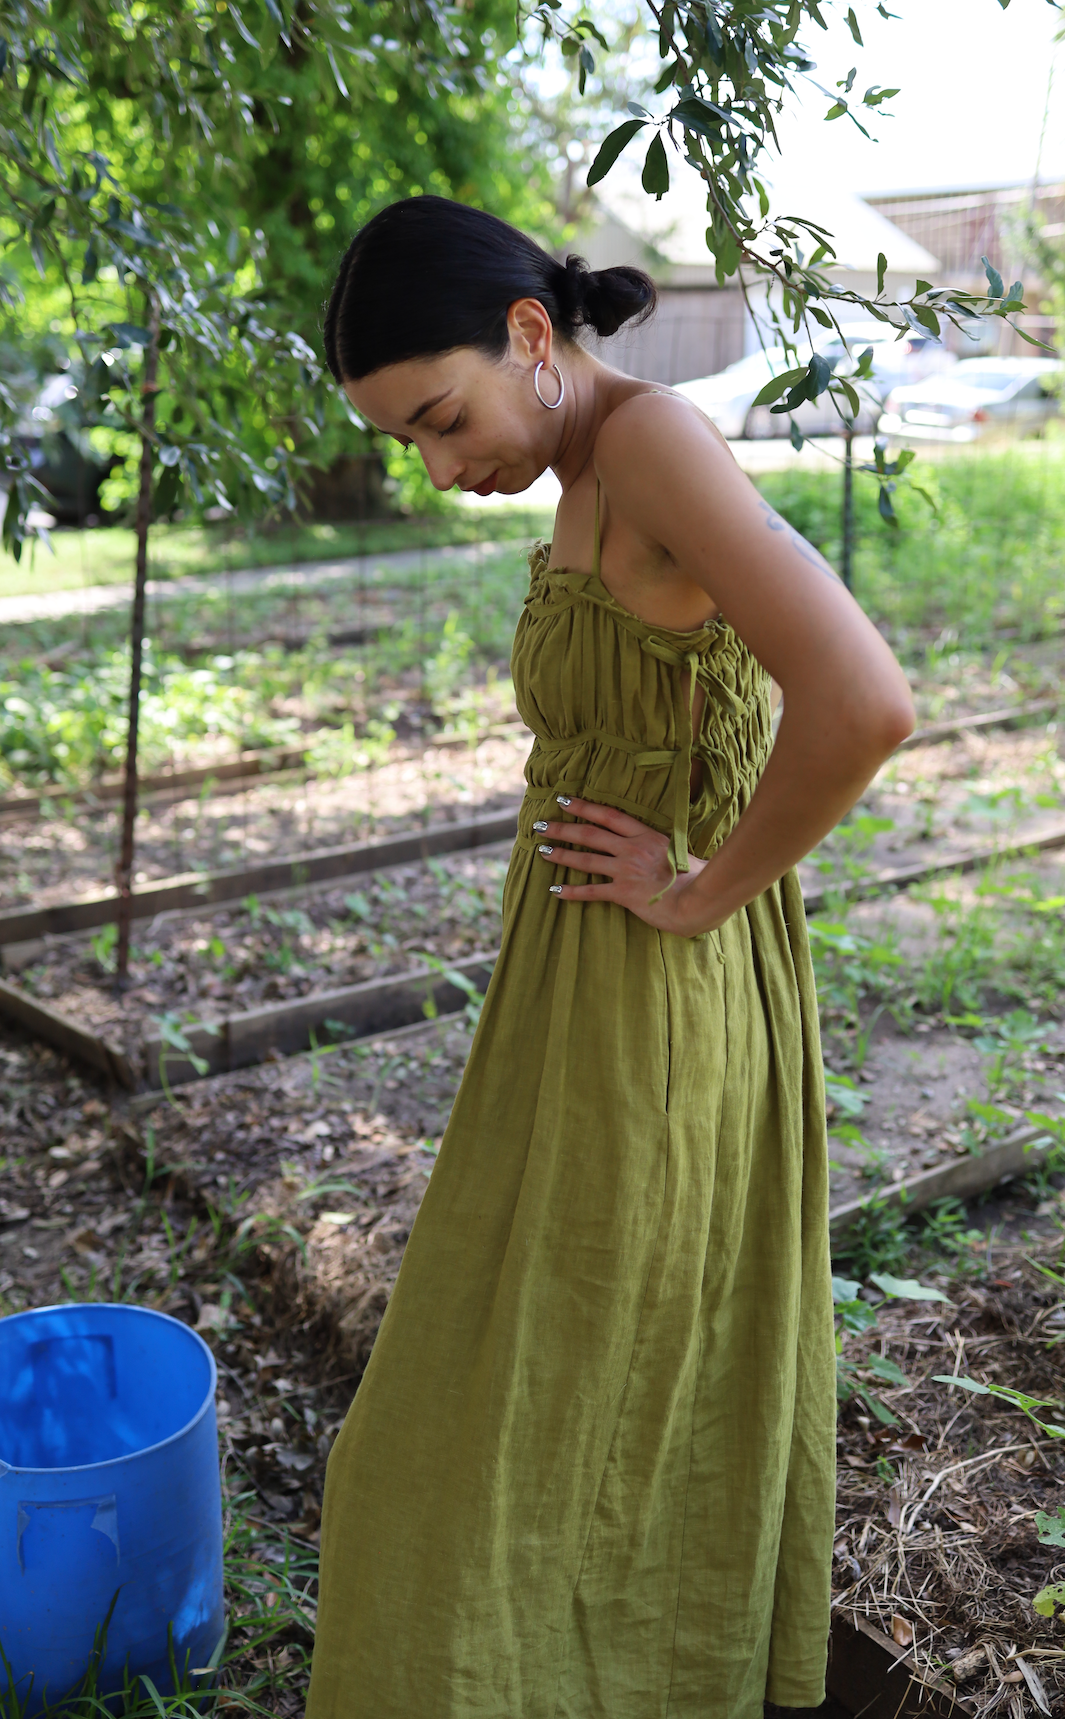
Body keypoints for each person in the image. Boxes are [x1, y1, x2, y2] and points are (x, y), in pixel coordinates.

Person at [306, 195, 914, 1719]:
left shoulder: (651, 446)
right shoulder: (583, 464)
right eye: (409, 447)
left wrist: (700, 895)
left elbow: (864, 701)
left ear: (529, 335)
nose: (443, 472)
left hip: (654, 999)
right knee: (569, 1370)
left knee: (567, 1386)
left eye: (442, 420)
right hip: (571, 991)